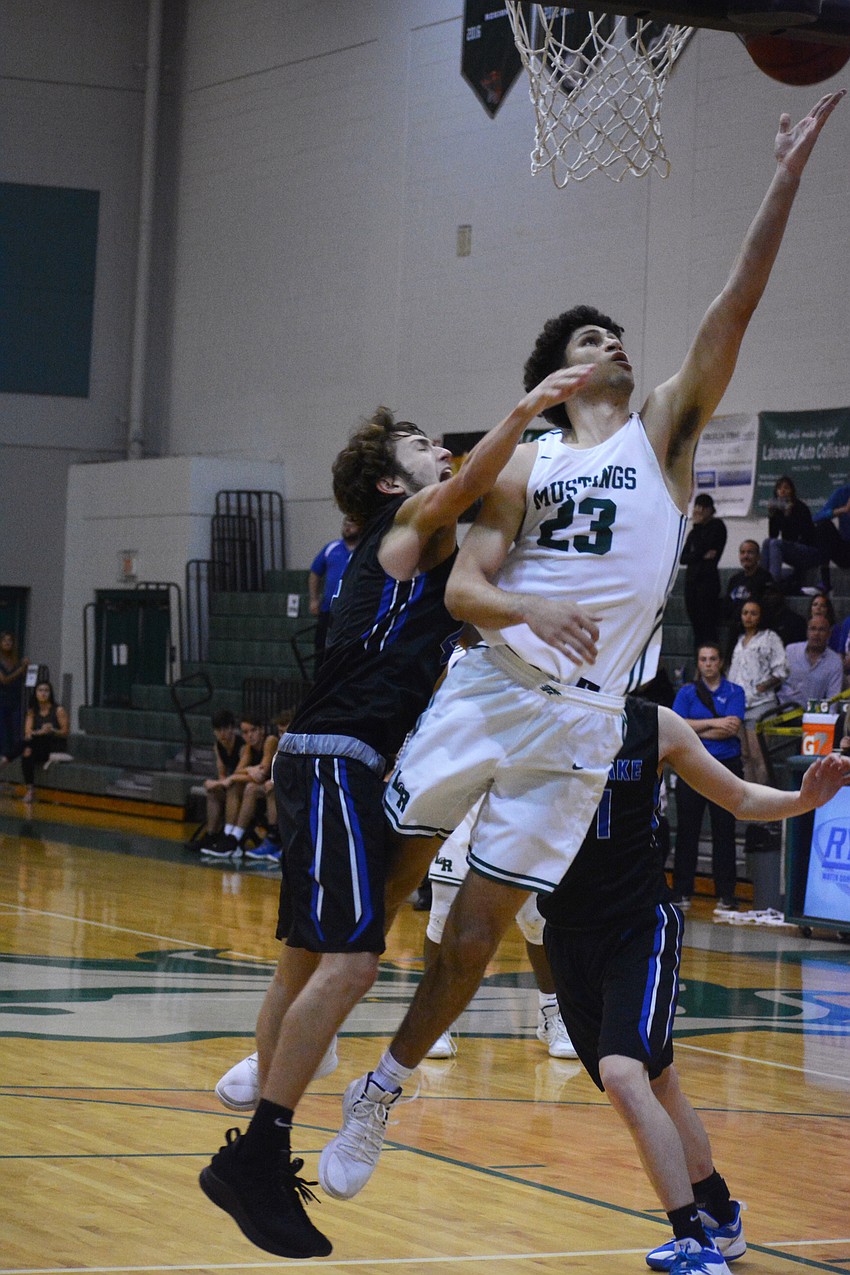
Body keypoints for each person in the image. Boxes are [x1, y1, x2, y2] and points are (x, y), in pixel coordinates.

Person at [318, 95, 845, 1238]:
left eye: (614, 336)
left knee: (473, 942)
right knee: (389, 881)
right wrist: (531, 603)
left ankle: (379, 1092)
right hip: (494, 686)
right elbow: (463, 593)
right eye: (587, 339)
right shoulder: (526, 463)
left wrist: (785, 176)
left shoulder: (662, 431)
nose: (611, 344)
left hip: (585, 719)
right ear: (554, 374)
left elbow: (736, 302)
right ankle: (285, 1059)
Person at [199, 375, 591, 1259]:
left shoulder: (442, 557)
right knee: (353, 960)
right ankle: (258, 1155)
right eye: (419, 444)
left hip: (344, 762)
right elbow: (470, 482)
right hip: (336, 755)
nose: (439, 450)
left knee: (307, 958)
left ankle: (269, 1094)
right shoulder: (403, 522)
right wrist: (530, 410)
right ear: (387, 481)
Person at [540, 697, 850, 1275]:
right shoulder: (530, 713)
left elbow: (739, 797)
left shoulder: (653, 724)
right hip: (565, 932)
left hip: (638, 927)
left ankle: (692, 1242)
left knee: (623, 1076)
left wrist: (804, 801)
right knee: (659, 1082)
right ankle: (719, 1213)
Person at [424, 798, 576, 1060]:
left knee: (537, 917)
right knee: (444, 913)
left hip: (521, 803)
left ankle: (552, 1011)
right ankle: (433, 1018)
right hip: (464, 800)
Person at [670, 645, 745, 913]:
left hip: (725, 766)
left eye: (713, 659)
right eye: (703, 659)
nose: (708, 664)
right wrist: (714, 723)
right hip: (692, 766)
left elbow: (731, 729)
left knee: (724, 830)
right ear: (698, 663)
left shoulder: (735, 691)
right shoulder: (687, 692)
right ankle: (681, 891)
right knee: (687, 831)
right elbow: (678, 726)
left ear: (721, 662)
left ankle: (726, 894)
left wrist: (695, 729)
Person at [728, 600, 788, 785]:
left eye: (753, 613)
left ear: (761, 616)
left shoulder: (770, 638)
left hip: (761, 703)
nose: (748, 617)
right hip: (739, 703)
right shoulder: (738, 639)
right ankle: (748, 798)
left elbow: (782, 670)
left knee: (758, 756)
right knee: (745, 756)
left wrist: (761, 687)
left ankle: (761, 798)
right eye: (745, 613)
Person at [200, 715, 277, 859]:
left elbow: (263, 773)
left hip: (276, 788)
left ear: (261, 730)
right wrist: (250, 769)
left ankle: (235, 838)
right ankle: (227, 835)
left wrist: (235, 776)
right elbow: (237, 772)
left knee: (249, 788)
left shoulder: (270, 740)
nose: (249, 735)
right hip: (261, 789)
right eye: (245, 732)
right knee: (234, 786)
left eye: (253, 730)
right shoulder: (248, 748)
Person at [308, 515, 361, 670]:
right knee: (321, 650)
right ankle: (319, 680)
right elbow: (315, 573)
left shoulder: (366, 549)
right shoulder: (331, 548)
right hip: (329, 611)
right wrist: (314, 599)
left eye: (352, 524)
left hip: (354, 612)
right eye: (345, 524)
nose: (347, 528)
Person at [760, 475, 820, 595]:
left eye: (786, 488)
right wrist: (772, 516)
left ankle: (773, 584)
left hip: (809, 550)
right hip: (793, 548)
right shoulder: (779, 509)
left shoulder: (800, 508)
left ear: (792, 491)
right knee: (767, 542)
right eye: (779, 488)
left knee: (775, 544)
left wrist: (788, 515)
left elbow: (802, 536)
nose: (782, 491)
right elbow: (773, 535)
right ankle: (761, 580)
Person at [193, 710, 244, 853]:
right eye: (218, 730)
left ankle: (227, 834)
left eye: (225, 729)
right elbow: (222, 774)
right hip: (230, 784)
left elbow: (239, 774)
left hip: (243, 788)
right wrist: (218, 784)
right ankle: (211, 834)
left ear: (232, 728)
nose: (222, 733)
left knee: (232, 787)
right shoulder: (218, 746)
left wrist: (220, 782)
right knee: (213, 792)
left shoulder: (242, 746)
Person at [680, 494, 726, 648]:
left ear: (710, 510)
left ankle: (712, 658)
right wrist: (700, 556)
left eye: (702, 508)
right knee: (697, 628)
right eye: (697, 507)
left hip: (707, 582)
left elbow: (701, 549)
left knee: (708, 627)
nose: (698, 511)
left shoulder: (717, 526)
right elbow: (683, 558)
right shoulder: (694, 532)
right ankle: (699, 660)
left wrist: (697, 554)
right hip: (691, 583)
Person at [19, 680, 69, 805]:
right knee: (27, 751)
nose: (43, 693)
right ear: (36, 693)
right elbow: (28, 732)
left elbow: (65, 732)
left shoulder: (58, 710)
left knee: (28, 747)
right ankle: (30, 788)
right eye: (40, 690)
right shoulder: (32, 711)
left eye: (46, 690)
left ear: (50, 693)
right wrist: (40, 732)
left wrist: (53, 730)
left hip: (54, 744)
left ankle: (7, 759)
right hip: (38, 743)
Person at [780, 613, 843, 705]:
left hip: (811, 711)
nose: (816, 633)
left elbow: (833, 698)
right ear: (807, 632)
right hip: (781, 708)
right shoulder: (790, 651)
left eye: (821, 630)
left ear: (829, 634)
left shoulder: (835, 662)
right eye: (813, 629)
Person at [723, 539, 781, 638]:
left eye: (750, 552)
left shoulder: (765, 578)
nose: (745, 556)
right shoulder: (734, 579)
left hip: (756, 632)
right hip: (734, 631)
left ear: (758, 556)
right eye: (742, 552)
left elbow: (768, 608)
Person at [812, 476, 850, 589]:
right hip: (846, 549)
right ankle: (825, 582)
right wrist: (842, 510)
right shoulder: (842, 493)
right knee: (823, 525)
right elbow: (816, 518)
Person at [0, 631, 28, 767]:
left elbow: (24, 678)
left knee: (17, 727)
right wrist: (21, 669)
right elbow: (4, 680)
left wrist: (26, 668)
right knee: (3, 729)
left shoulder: (16, 660)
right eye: (4, 640)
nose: (7, 643)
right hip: (2, 698)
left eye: (10, 641)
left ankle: (14, 754)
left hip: (16, 698)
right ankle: (4, 756)